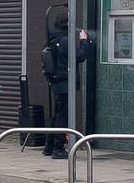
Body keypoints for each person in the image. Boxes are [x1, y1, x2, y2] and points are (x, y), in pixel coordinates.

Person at [40, 15, 94, 158]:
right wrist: (84, 41)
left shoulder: (53, 38)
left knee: (57, 114)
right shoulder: (64, 41)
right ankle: (58, 148)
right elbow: (80, 56)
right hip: (64, 82)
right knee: (63, 117)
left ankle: (49, 146)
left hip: (57, 81)